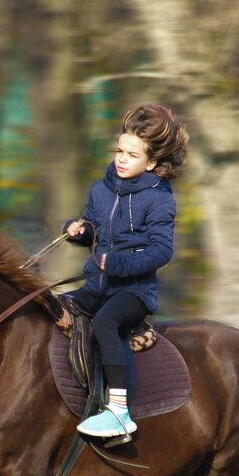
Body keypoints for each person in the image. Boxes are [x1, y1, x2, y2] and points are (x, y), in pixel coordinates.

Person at [63, 104, 188, 441]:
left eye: (132, 155)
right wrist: (79, 231)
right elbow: (94, 231)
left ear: (150, 163)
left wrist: (117, 264)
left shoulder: (160, 199)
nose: (121, 159)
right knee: (52, 309)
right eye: (120, 150)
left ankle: (119, 413)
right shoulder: (100, 189)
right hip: (96, 285)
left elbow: (162, 251)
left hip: (133, 293)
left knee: (105, 322)